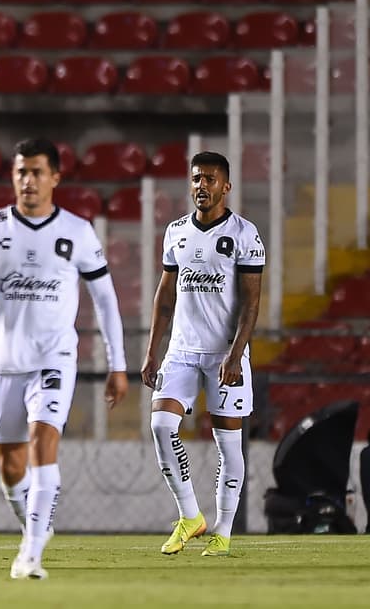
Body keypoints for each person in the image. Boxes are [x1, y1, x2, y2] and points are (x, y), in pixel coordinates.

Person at [0, 138, 128, 580]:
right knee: (10, 466)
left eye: (36, 172)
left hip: (54, 357)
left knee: (42, 442)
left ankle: (29, 553)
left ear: (55, 177)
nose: (28, 180)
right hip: (4, 362)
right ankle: (36, 523)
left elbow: (106, 299)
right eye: (21, 172)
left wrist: (117, 363)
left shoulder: (77, 230)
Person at [141, 152, 264, 558]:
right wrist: (152, 350)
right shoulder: (176, 232)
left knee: (229, 444)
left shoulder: (245, 234)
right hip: (181, 351)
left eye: (210, 179)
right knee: (161, 425)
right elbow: (165, 297)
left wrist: (235, 353)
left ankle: (223, 531)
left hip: (223, 355)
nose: (201, 185)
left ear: (225, 186)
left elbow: (251, 303)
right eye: (196, 178)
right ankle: (191, 516)